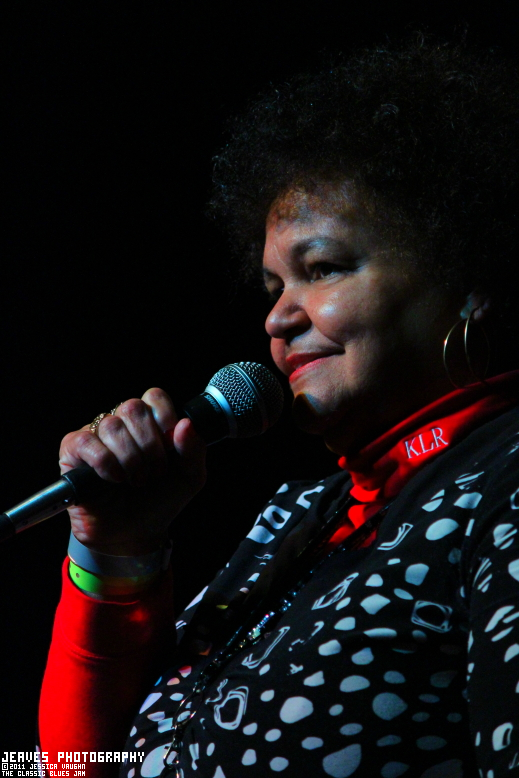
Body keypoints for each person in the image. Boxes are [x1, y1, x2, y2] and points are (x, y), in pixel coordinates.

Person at [39, 36, 519, 777]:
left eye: (321, 269)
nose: (277, 318)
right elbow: (70, 766)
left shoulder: (504, 485)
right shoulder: (298, 517)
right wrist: (117, 552)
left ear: (467, 278)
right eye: (272, 288)